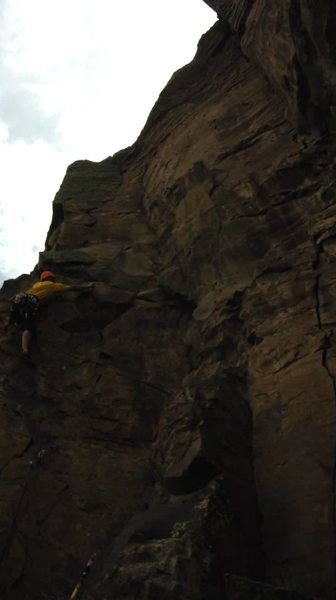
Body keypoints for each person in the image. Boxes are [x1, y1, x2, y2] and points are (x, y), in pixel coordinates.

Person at [10, 270, 93, 363]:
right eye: (53, 278)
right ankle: (24, 350)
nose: (54, 280)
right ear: (50, 278)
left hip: (19, 301)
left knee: (20, 322)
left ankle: (14, 323)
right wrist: (86, 286)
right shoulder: (52, 285)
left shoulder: (36, 285)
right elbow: (70, 287)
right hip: (30, 303)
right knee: (29, 328)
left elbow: (25, 293)